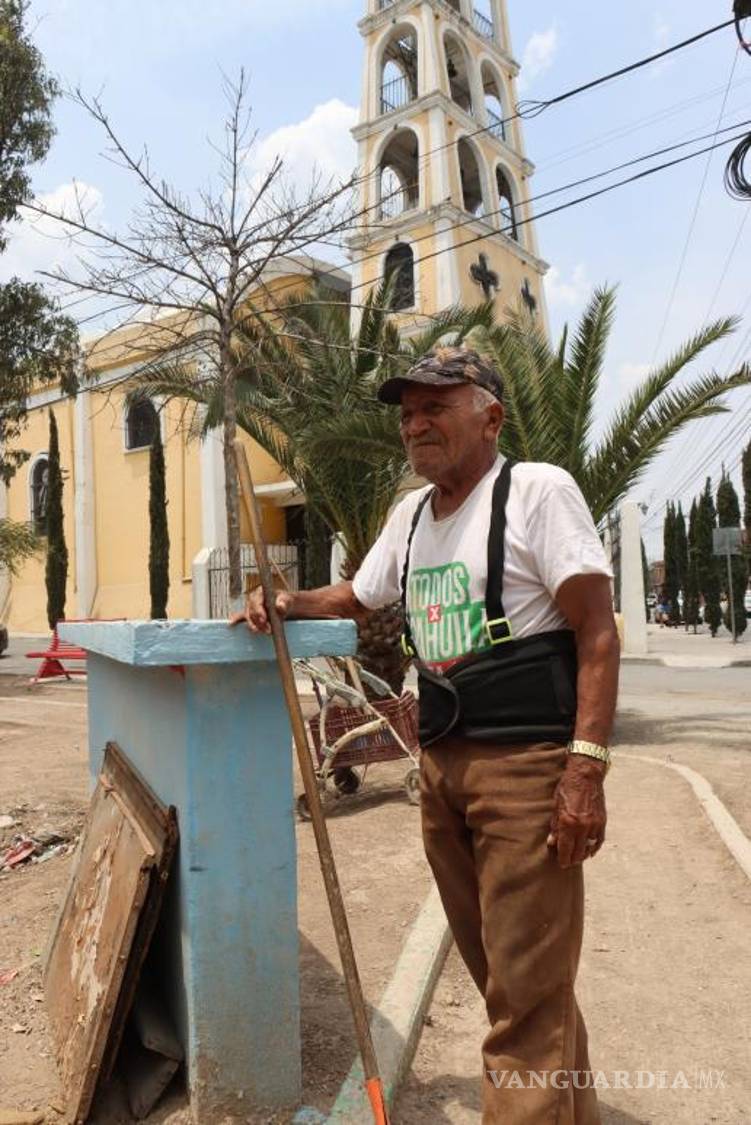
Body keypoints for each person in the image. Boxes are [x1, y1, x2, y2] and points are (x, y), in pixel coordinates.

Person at [232, 346, 619, 1124]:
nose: (414, 423)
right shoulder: (410, 516)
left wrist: (583, 770)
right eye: (407, 411)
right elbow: (358, 594)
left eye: (435, 404)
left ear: (489, 415)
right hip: (441, 765)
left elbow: (597, 634)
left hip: (525, 767)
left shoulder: (536, 492)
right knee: (511, 978)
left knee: (522, 994)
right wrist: (287, 599)